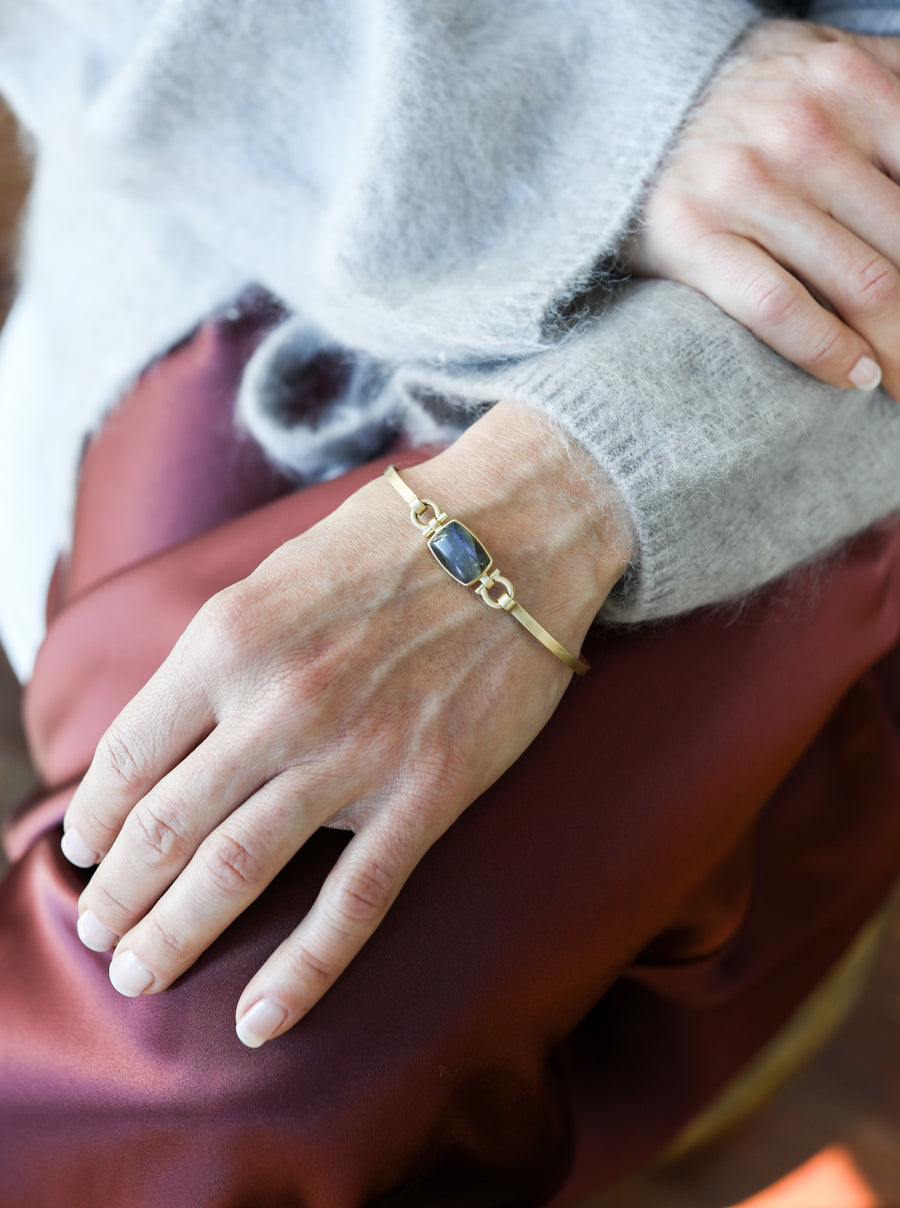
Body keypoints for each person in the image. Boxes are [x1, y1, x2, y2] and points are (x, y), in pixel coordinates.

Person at [1, 1, 900, 1204]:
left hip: (802, 318)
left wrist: (570, 488)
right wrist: (601, 117)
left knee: (229, 1039)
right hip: (280, 139)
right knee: (186, 946)